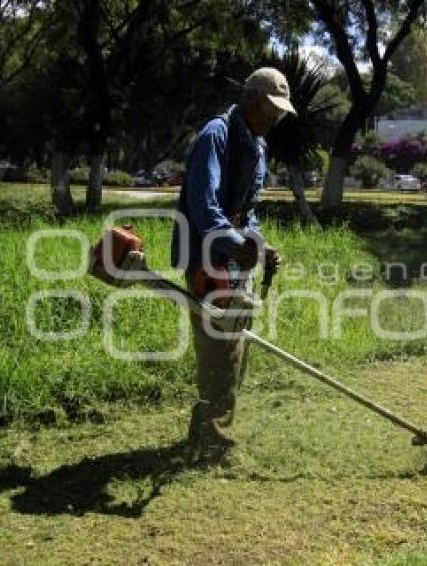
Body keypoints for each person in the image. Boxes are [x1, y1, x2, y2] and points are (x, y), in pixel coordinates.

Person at [171, 68, 293, 463]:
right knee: (219, 352)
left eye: (278, 113)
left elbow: (246, 211)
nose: (273, 119)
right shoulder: (215, 136)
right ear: (250, 98)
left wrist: (258, 243)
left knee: (238, 350)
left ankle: (210, 433)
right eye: (269, 110)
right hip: (207, 260)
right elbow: (204, 209)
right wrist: (239, 244)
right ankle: (210, 444)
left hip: (236, 261)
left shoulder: (257, 145)